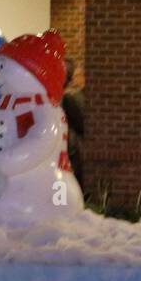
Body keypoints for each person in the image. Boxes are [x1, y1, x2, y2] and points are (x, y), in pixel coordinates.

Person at [61, 58, 86, 187]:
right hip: (73, 147)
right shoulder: (73, 95)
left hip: (72, 147)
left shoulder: (69, 96)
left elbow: (81, 123)